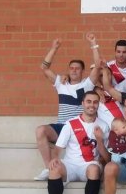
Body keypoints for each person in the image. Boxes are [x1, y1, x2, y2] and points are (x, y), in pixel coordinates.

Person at [35, 35, 101, 181]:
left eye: (77, 68)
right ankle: (49, 168)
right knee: (40, 130)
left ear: (83, 71)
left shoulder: (87, 85)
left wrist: (93, 44)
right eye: (71, 68)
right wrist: (54, 48)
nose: (74, 70)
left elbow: (98, 66)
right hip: (61, 126)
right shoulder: (61, 83)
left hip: (78, 129)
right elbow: (44, 68)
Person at [47, 91, 110, 194]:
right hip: (70, 165)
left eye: (95, 102)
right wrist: (54, 158)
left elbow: (108, 158)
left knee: (94, 169)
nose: (92, 105)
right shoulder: (70, 123)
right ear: (82, 103)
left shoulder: (104, 126)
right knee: (54, 169)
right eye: (88, 101)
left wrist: (99, 140)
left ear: (98, 105)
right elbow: (57, 148)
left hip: (90, 165)